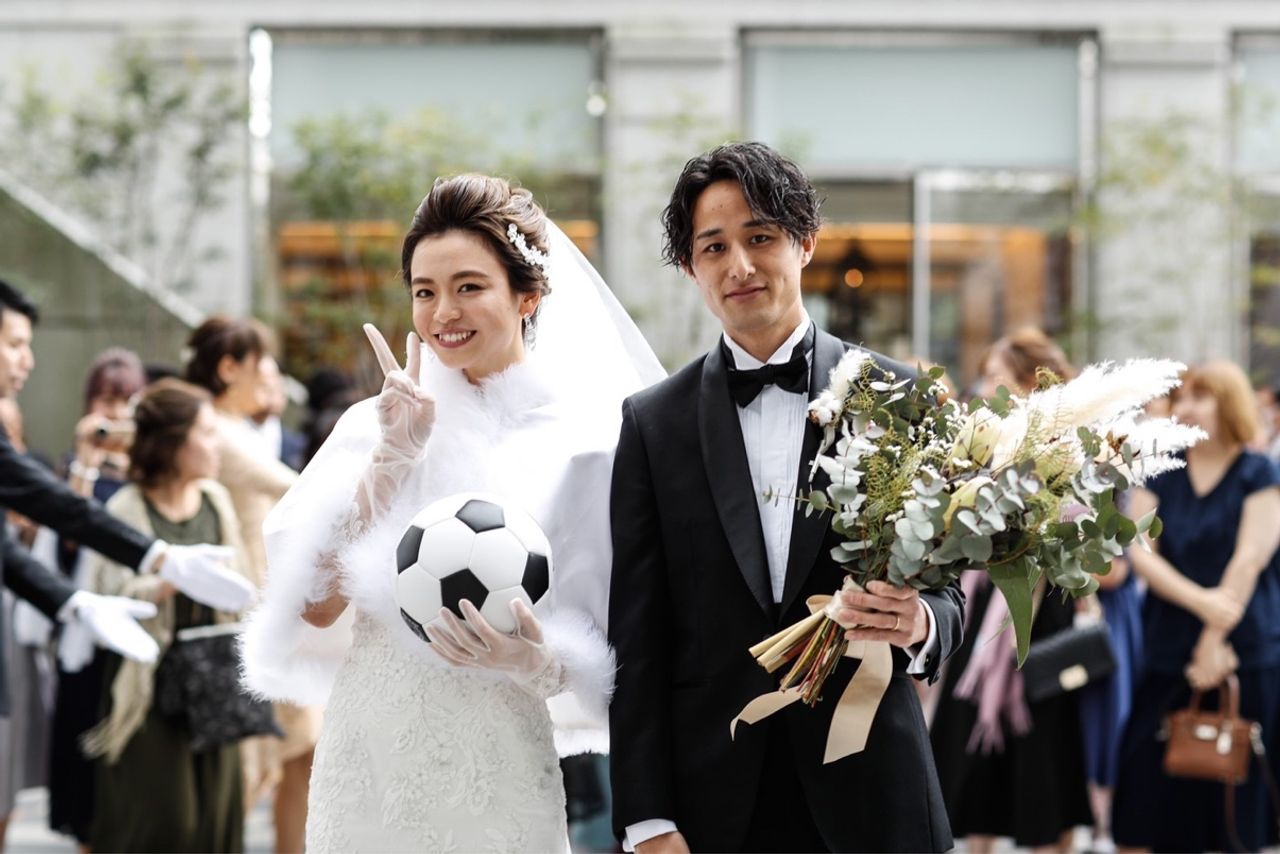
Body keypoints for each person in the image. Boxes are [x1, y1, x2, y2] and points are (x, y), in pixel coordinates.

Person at [242, 173, 664, 852]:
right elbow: (314, 606)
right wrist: (389, 462)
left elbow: (623, 640)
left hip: (502, 768)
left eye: (469, 287)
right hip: (367, 762)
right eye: (424, 292)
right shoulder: (377, 425)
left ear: (528, 295)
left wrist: (539, 661)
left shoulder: (592, 444)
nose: (443, 313)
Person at [608, 142, 965, 853]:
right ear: (691, 267)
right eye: (714, 247)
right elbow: (638, 636)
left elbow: (950, 596)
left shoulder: (900, 398)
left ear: (805, 243)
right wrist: (646, 817)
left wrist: (919, 621)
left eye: (761, 237)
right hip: (714, 804)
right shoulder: (653, 424)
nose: (739, 265)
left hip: (875, 793)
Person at [0, 279, 256, 716]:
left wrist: (72, 602)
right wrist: (159, 558)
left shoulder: (213, 498)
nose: (29, 360)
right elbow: (54, 504)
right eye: (15, 344)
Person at [929, 327, 1093, 853]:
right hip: (985, 605)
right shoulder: (986, 443)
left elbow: (1090, 547)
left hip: (1041, 611)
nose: (985, 388)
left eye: (996, 376)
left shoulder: (1071, 446)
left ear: (1029, 381)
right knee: (971, 758)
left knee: (1043, 755)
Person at [77, 378, 253, 852]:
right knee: (163, 821)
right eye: (207, 433)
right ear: (174, 441)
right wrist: (170, 578)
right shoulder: (126, 507)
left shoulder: (215, 499)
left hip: (212, 682)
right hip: (149, 684)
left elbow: (242, 586)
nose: (217, 445)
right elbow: (107, 595)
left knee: (217, 818)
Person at [1112, 359, 1280, 852]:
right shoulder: (1162, 469)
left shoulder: (1260, 471)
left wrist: (1213, 639)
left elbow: (1250, 559)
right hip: (1167, 650)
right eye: (1180, 396)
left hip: (1243, 651)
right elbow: (1142, 553)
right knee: (1147, 801)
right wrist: (1204, 605)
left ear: (1229, 404)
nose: (1184, 406)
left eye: (1199, 396)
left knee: (1235, 811)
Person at [184, 316, 316, 852]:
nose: (270, 374)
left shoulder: (239, 427)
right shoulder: (213, 426)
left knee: (299, 750)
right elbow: (292, 489)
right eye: (261, 363)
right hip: (242, 618)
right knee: (248, 766)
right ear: (228, 368)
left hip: (270, 613)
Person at [47, 347, 147, 847]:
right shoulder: (74, 469)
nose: (115, 413)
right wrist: (85, 462)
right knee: (85, 781)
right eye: (106, 401)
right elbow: (65, 542)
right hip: (88, 634)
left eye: (126, 401)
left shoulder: (151, 469)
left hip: (140, 628)